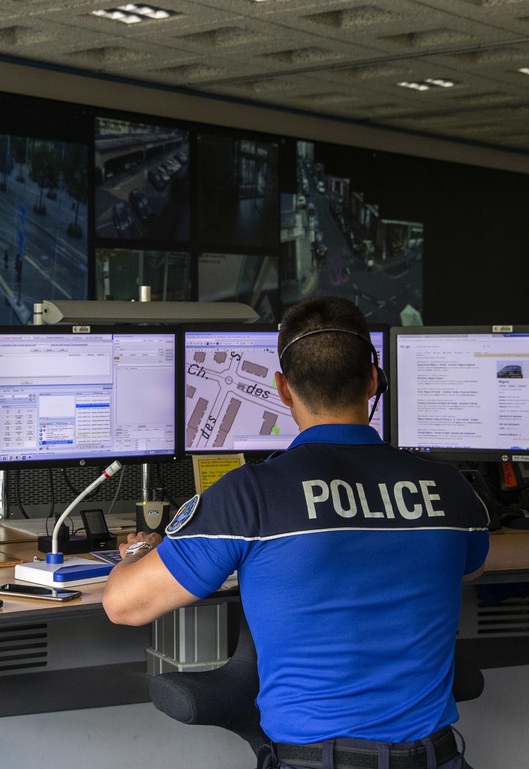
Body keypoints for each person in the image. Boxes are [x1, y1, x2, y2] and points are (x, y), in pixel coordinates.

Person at [103, 296, 489, 769]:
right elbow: (469, 567)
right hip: (437, 758)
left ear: (283, 390)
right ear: (373, 381)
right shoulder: (452, 490)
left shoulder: (250, 495)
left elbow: (123, 605)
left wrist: (139, 550)